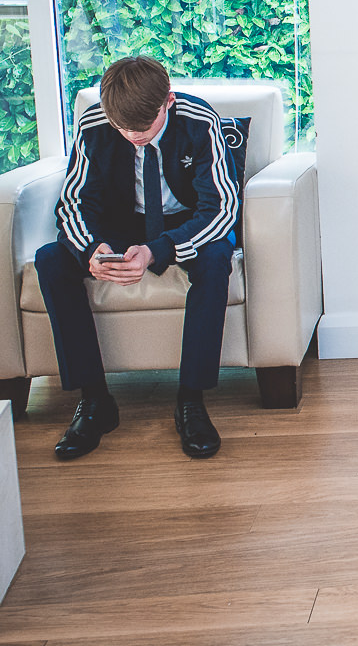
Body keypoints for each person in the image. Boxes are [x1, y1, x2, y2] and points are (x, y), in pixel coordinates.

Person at [36, 56, 238, 461]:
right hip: (118, 224)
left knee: (217, 258)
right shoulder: (95, 123)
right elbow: (74, 203)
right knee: (50, 260)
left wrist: (157, 250)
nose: (132, 136)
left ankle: (190, 401)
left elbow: (221, 207)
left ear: (168, 100)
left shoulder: (200, 119)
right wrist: (92, 249)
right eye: (122, 128)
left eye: (142, 127)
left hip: (184, 222)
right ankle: (94, 402)